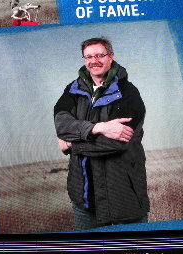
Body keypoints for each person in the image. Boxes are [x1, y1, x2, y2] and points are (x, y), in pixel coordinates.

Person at [54, 36, 149, 230]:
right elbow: (62, 126)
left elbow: (117, 143)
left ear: (111, 57)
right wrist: (100, 128)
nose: (93, 61)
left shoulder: (129, 93)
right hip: (84, 197)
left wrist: (72, 143)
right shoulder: (72, 90)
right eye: (88, 56)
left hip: (124, 197)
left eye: (99, 55)